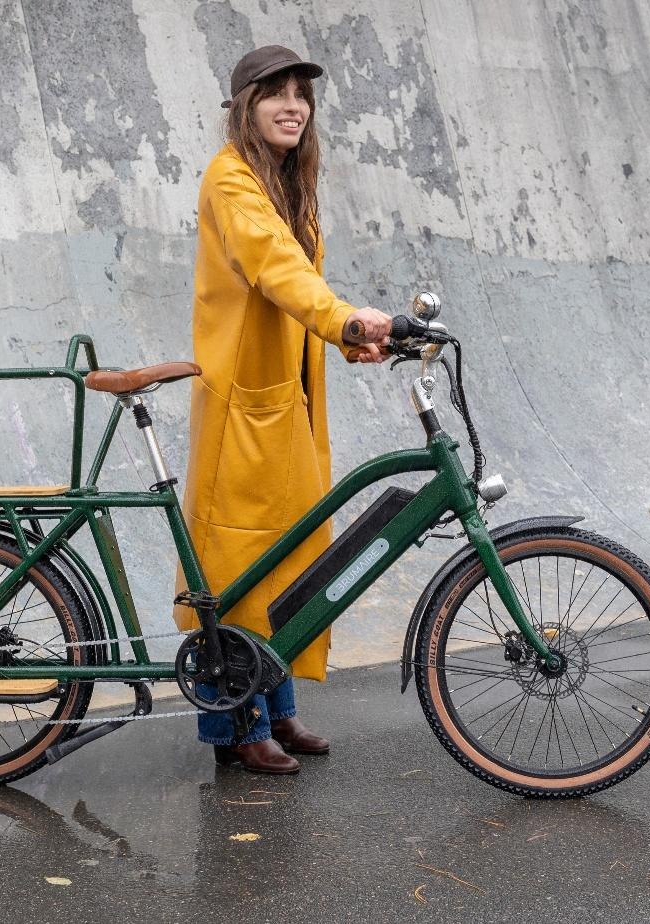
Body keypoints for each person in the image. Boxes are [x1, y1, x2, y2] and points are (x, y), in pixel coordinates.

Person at [175, 45, 392, 775]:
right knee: (238, 569)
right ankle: (236, 725)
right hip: (243, 407)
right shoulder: (231, 177)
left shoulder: (288, 181)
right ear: (246, 106)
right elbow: (274, 265)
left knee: (290, 559)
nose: (292, 106)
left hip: (287, 404)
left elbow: (297, 282)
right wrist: (344, 321)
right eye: (276, 94)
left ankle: (278, 706)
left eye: (301, 95)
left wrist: (352, 338)